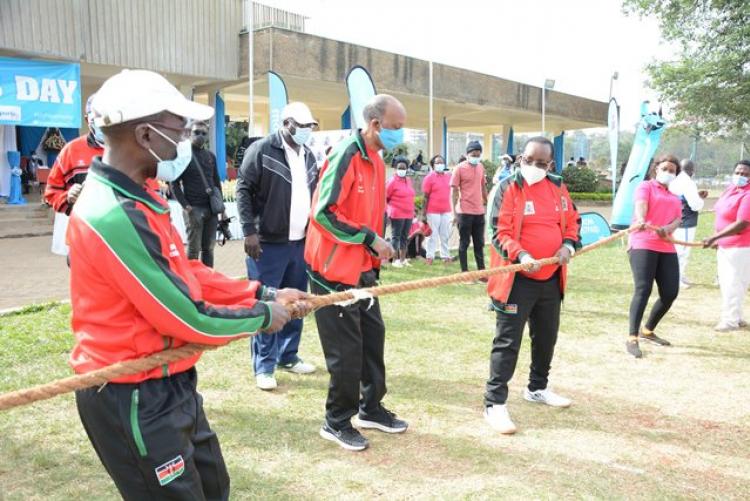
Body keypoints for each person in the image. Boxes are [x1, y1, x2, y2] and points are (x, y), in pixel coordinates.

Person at [70, 69, 307, 499]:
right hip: (133, 393)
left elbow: (187, 272)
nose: (187, 142)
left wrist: (262, 292)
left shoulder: (145, 196)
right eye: (180, 130)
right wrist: (262, 317)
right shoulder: (112, 213)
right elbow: (188, 318)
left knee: (213, 486)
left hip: (171, 383)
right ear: (145, 134)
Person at [306, 94, 408, 452]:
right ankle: (335, 421)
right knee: (345, 352)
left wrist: (376, 247)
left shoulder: (378, 160)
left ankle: (371, 407)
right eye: (397, 127)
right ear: (376, 124)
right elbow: (322, 213)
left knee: (371, 343)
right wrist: (368, 238)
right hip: (332, 271)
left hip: (364, 271)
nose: (401, 134)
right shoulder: (346, 154)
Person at [483, 136, 580, 434]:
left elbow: (573, 223)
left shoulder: (558, 187)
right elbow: (498, 231)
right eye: (528, 161)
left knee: (546, 337)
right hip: (517, 279)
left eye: (541, 163)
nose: (534, 167)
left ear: (550, 164)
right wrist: (521, 254)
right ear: (519, 159)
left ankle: (537, 388)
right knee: (507, 342)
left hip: (551, 277)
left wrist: (568, 246)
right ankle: (495, 403)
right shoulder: (507, 187)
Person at [236, 102, 319, 390]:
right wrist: (249, 231)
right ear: (287, 124)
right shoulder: (261, 150)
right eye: (302, 126)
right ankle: (264, 365)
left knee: (296, 302)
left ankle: (288, 355)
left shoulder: (308, 155)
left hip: (299, 243)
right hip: (268, 244)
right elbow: (243, 188)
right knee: (268, 303)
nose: (306, 131)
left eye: (310, 127)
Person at [626, 155, 683, 358]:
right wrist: (642, 219)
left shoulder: (675, 197)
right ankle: (632, 337)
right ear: (656, 168)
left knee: (670, 292)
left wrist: (667, 228)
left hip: (666, 246)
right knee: (643, 289)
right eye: (665, 168)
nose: (668, 173)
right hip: (643, 242)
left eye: (672, 171)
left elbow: (678, 219)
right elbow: (641, 205)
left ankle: (648, 330)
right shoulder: (645, 186)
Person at [44, 94, 104, 256]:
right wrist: (67, 197)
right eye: (97, 118)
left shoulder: (129, 151)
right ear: (87, 119)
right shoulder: (71, 151)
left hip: (122, 237)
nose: (103, 124)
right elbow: (51, 194)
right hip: (82, 237)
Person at [702, 160, 750, 331]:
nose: (740, 176)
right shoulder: (730, 190)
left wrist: (716, 237)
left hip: (740, 246)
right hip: (726, 244)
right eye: (738, 172)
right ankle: (737, 316)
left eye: (745, 174)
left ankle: (729, 321)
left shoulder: (748, 195)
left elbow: (742, 223)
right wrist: (717, 239)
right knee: (736, 282)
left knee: (732, 283)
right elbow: (721, 214)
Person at [170, 121, 224, 267]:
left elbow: (216, 182)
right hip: (194, 209)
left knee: (209, 249)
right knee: (194, 251)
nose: (200, 136)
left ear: (207, 136)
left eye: (203, 133)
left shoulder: (210, 156)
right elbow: (173, 183)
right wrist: (186, 207)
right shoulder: (183, 154)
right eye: (196, 132)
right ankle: (191, 283)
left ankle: (209, 281)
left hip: (211, 210)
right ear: (189, 134)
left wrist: (222, 209)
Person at [669, 159, 708, 287]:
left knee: (678, 250)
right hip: (685, 222)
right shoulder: (688, 182)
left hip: (674, 220)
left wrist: (696, 196)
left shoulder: (675, 180)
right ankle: (677, 279)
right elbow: (695, 205)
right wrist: (700, 200)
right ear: (692, 171)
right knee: (682, 251)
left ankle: (680, 275)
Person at [451, 141, 488, 276]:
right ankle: (464, 272)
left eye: (478, 155)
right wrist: (454, 213)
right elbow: (454, 192)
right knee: (464, 243)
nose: (476, 157)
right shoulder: (459, 168)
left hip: (479, 212)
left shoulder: (480, 167)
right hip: (464, 212)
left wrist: (487, 202)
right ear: (467, 154)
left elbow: (483, 186)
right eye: (473, 155)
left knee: (479, 244)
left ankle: (482, 272)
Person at [422, 154, 453, 264]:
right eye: (437, 163)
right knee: (432, 235)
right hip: (433, 211)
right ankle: (430, 256)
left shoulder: (449, 176)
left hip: (446, 210)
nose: (440, 164)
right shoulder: (429, 178)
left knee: (445, 235)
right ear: (433, 165)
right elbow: (425, 197)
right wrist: (423, 213)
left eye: (441, 162)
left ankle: (445, 256)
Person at [386, 156, 415, 268]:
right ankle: (394, 260)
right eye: (400, 168)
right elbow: (386, 197)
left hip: (408, 213)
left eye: (404, 168)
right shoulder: (392, 181)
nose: (402, 170)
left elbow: (410, 195)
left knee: (405, 237)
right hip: (397, 213)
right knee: (396, 237)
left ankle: (403, 259)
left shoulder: (408, 180)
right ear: (396, 169)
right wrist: (389, 210)